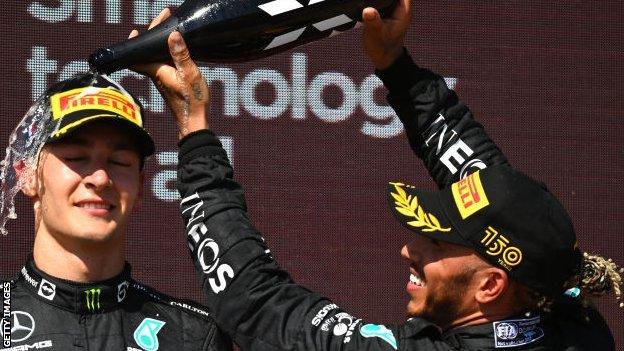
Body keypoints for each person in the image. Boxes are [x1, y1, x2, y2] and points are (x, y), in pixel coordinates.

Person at [138, 3, 622, 350]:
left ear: (491, 287)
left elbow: (255, 303)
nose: (409, 248)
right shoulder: (567, 314)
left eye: (435, 243)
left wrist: (193, 128)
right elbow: (493, 187)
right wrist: (396, 67)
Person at [0, 71, 231, 350]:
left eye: (119, 161)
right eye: (77, 158)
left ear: (140, 186)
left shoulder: (192, 336)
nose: (99, 179)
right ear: (28, 176)